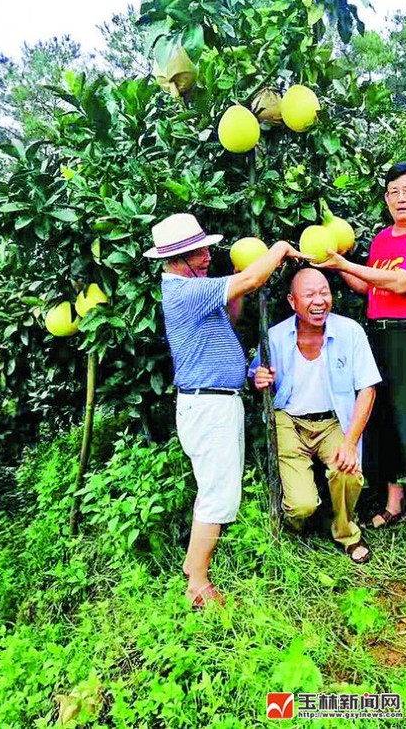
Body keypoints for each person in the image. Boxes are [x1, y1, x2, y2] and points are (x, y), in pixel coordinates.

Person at [144, 212, 306, 608]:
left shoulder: (196, 288)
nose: (206, 257)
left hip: (215, 402)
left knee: (213, 490)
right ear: (178, 258)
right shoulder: (183, 290)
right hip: (209, 406)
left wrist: (236, 284)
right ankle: (198, 584)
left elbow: (231, 314)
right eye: (199, 252)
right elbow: (251, 280)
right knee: (218, 495)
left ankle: (191, 567)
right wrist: (279, 250)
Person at [317, 162, 406, 557]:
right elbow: (370, 288)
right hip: (378, 335)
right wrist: (337, 266)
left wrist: (344, 263)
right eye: (393, 191)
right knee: (383, 426)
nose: (400, 198)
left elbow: (401, 282)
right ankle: (394, 504)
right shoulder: (380, 242)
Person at [250, 268, 381, 563]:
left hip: (332, 420)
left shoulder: (350, 332)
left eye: (324, 292)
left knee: (347, 471)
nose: (319, 300)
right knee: (301, 506)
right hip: (289, 421)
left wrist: (349, 444)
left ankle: (346, 532)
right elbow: (256, 375)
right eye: (309, 295)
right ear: (292, 301)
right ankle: (299, 525)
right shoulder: (275, 336)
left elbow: (368, 389)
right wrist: (258, 378)